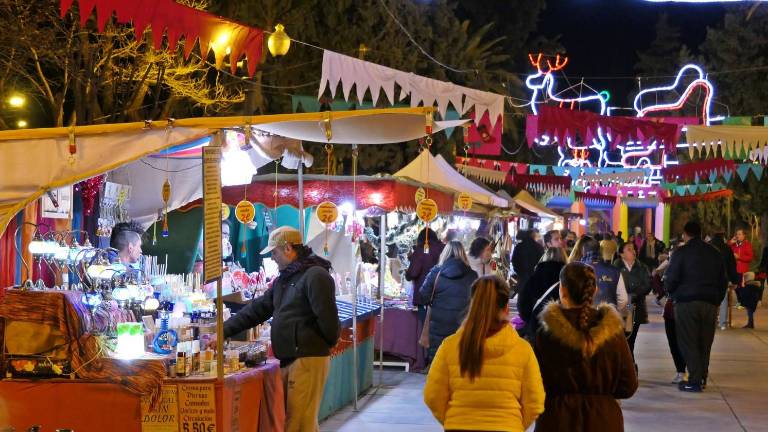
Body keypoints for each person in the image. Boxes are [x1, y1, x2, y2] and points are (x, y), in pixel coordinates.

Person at [214, 226, 340, 431]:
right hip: (293, 358)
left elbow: (329, 320)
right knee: (299, 422)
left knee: (299, 424)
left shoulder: (315, 275)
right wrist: (222, 331)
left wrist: (315, 345)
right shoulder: (286, 279)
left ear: (288, 248)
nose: (272, 258)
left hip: (307, 359)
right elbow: (258, 309)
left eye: (274, 252)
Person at [424, 276, 545, 431]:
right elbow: (535, 402)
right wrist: (515, 425)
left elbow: (432, 396)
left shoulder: (450, 346)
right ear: (506, 308)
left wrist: (453, 420)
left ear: (472, 306)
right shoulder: (523, 350)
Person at [534, 262, 638, 432]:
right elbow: (629, 385)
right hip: (604, 420)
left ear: (562, 290)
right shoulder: (612, 333)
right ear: (595, 290)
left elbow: (535, 383)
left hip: (557, 419)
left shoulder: (546, 334)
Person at [665, 221, 728, 392]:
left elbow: (671, 279)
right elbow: (723, 280)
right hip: (710, 303)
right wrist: (716, 300)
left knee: (688, 341)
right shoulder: (715, 253)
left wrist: (671, 293)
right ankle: (702, 378)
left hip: (686, 303)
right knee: (704, 342)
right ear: (700, 233)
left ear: (686, 234)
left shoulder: (681, 253)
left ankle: (694, 380)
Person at [419, 241, 478, 360]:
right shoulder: (472, 275)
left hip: (438, 326)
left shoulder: (435, 273)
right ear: (463, 254)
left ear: (444, 253)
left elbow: (423, 295)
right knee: (459, 362)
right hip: (463, 326)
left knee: (438, 361)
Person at [517, 241, 568, 340]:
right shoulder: (567, 279)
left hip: (536, 330)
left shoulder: (533, 278)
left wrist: (532, 320)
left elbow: (522, 305)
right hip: (560, 333)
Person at [613, 242, 652, 361]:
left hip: (636, 305)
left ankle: (629, 366)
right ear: (621, 254)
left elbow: (647, 285)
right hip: (620, 307)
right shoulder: (615, 267)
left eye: (634, 249)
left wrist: (633, 295)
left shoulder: (642, 267)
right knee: (621, 340)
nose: (633, 251)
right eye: (629, 249)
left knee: (631, 338)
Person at [406, 228, 445, 324]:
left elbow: (413, 273)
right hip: (442, 295)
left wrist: (408, 271)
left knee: (425, 329)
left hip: (424, 297)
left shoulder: (420, 250)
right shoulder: (445, 248)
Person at [579, 237, 629, 313]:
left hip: (584, 317)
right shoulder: (615, 271)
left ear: (583, 251)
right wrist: (615, 310)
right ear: (600, 250)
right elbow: (623, 299)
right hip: (608, 317)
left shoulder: (576, 270)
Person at [710, 233, 739, 330]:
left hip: (709, 278)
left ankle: (711, 322)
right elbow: (732, 266)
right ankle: (722, 323)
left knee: (710, 300)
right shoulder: (727, 248)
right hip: (723, 278)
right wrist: (734, 280)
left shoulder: (708, 247)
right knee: (723, 300)